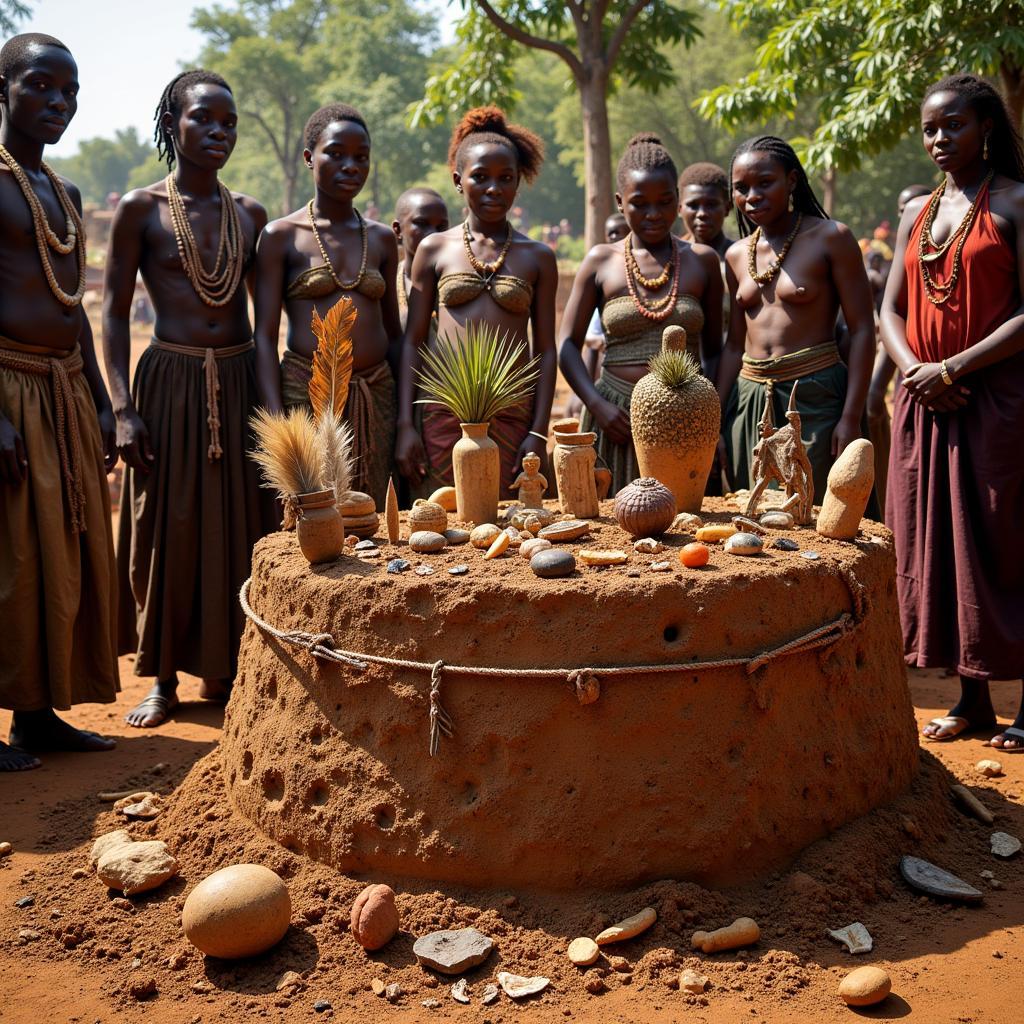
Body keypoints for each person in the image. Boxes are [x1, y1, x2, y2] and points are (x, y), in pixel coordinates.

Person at [104, 70, 277, 729]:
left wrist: (269, 412)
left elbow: (265, 324)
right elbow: (115, 315)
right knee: (168, 526)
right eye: (204, 119)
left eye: (228, 123)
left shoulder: (249, 214)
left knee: (238, 522)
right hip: (170, 382)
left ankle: (230, 670)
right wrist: (122, 407)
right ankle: (163, 679)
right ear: (173, 124)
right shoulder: (141, 210)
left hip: (236, 381)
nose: (218, 133)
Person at [880, 74, 1024, 749]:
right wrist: (916, 369)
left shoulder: (1018, 203)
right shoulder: (915, 213)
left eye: (954, 126)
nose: (940, 139)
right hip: (927, 405)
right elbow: (889, 309)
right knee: (942, 547)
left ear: (986, 127)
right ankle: (972, 701)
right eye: (931, 128)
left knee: (1005, 544)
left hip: (996, 402)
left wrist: (955, 367)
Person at [0, 33, 118, 770]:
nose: (57, 103)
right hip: (7, 387)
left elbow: (72, 308)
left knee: (56, 552)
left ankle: (37, 717)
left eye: (69, 93)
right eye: (41, 86)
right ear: (3, 90)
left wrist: (102, 401)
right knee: (5, 556)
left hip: (63, 387)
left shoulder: (65, 196)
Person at [395, 107, 557, 498]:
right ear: (458, 180)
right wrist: (405, 424)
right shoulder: (435, 249)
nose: (493, 189)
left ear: (519, 183)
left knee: (510, 521)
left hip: (513, 411)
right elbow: (414, 341)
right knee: (443, 514)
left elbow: (545, 350)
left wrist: (538, 431)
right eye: (480, 178)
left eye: (506, 179)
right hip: (445, 410)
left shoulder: (537, 257)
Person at [254, 104, 402, 509]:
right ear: (308, 158)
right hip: (306, 393)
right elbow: (264, 338)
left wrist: (407, 420)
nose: (350, 165)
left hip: (377, 393)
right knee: (310, 512)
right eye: (335, 153)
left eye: (361, 156)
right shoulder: (281, 236)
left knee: (371, 511)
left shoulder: (381, 238)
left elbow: (395, 336)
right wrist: (278, 423)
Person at [559, 134, 723, 495]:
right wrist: (597, 405)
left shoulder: (702, 262)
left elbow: (714, 351)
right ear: (620, 203)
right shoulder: (600, 261)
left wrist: (709, 418)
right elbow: (567, 346)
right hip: (615, 415)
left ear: (678, 202)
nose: (653, 214)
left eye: (665, 202)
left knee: (686, 531)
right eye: (639, 204)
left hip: (686, 421)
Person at [718, 136, 874, 501]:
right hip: (750, 400)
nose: (752, 196)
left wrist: (850, 416)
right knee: (753, 513)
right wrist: (717, 421)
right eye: (741, 188)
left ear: (791, 181)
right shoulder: (736, 254)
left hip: (814, 398)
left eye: (764, 183)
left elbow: (863, 328)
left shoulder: (831, 237)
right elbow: (731, 346)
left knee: (818, 509)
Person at [867, 183, 933, 514]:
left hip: (937, 358)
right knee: (874, 404)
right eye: (901, 208)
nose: (906, 212)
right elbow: (894, 309)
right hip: (902, 347)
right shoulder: (898, 244)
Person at [391, 187, 449, 499]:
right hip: (394, 409)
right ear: (397, 230)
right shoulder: (386, 282)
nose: (432, 235)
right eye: (422, 224)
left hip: (437, 412)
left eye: (442, 227)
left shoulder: (452, 285)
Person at [566, 212, 627, 419]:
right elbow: (584, 343)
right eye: (612, 233)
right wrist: (587, 396)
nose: (617, 237)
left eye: (622, 232)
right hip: (612, 383)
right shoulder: (603, 272)